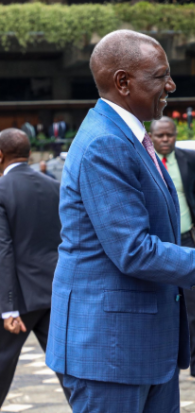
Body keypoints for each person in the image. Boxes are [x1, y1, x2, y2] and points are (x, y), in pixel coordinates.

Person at [45, 29, 195, 413]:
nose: (171, 84)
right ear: (123, 82)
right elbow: (134, 251)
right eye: (160, 75)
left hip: (141, 347)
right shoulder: (106, 143)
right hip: (110, 352)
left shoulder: (128, 137)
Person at [0, 128, 71, 406]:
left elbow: (3, 251)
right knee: (68, 370)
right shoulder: (56, 186)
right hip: (55, 292)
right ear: (29, 154)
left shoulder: (2, 190)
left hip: (19, 297)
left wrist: (7, 307)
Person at [150, 116, 195, 385]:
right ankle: (163, 367)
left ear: (176, 135)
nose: (165, 140)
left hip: (187, 240)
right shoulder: (142, 160)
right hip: (157, 246)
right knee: (158, 304)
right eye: (160, 136)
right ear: (150, 137)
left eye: (169, 135)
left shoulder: (191, 159)